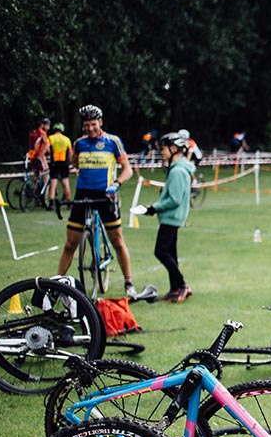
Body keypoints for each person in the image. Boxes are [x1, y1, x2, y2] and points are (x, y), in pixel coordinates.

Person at [58, 104, 138, 297]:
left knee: (117, 241)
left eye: (93, 124)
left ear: (100, 122)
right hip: (83, 195)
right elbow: (74, 163)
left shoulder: (113, 142)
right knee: (70, 244)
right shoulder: (79, 143)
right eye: (86, 125)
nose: (90, 128)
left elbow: (128, 169)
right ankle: (56, 284)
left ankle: (129, 284)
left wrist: (117, 183)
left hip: (106, 195)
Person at [142, 132, 195, 303]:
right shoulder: (178, 168)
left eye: (163, 149)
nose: (162, 153)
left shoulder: (178, 171)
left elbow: (175, 199)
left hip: (171, 217)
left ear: (174, 149)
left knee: (161, 251)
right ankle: (175, 288)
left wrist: (154, 208)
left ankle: (182, 285)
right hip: (172, 217)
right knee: (170, 252)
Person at [45, 122, 74, 205]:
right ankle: (68, 202)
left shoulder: (50, 138)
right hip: (64, 163)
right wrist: (70, 162)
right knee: (66, 183)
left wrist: (49, 152)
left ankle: (51, 203)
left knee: (53, 183)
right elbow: (70, 153)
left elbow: (46, 148)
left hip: (54, 163)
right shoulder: (67, 139)